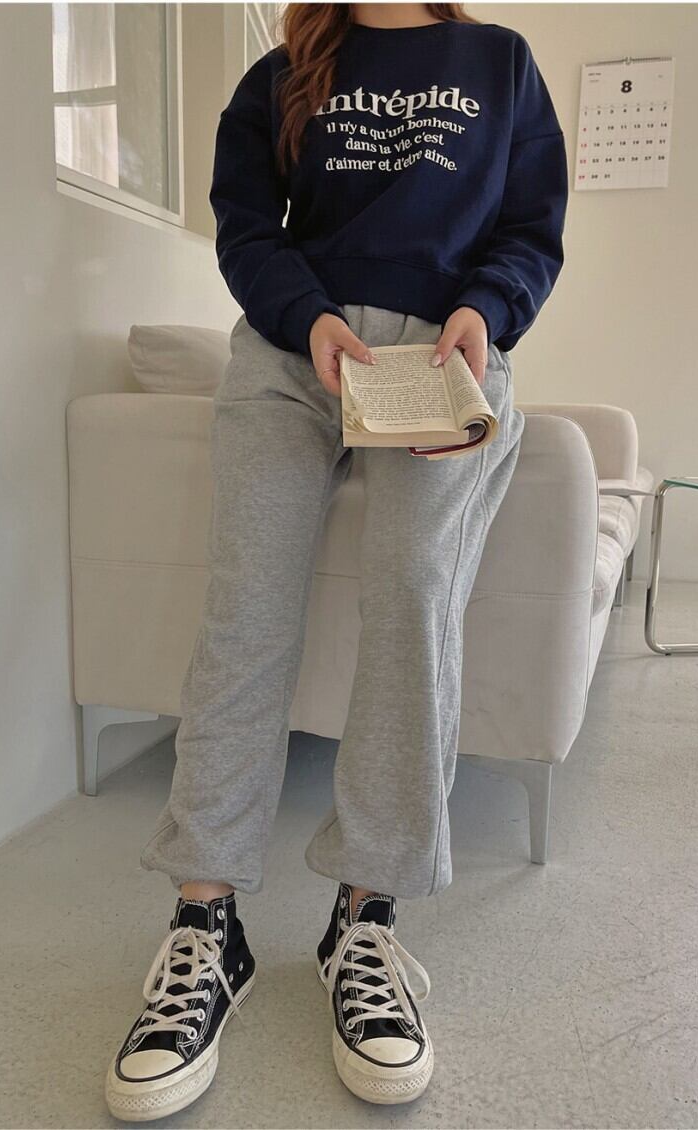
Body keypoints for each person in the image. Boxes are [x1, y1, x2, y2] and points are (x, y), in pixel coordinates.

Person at [104, 2, 568, 1120]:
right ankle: (205, 922)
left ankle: (365, 920)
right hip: (293, 354)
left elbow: (530, 226)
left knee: (413, 596)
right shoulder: (280, 72)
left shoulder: (499, 63)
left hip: (441, 354)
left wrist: (484, 311)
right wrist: (306, 318)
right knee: (246, 608)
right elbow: (244, 226)